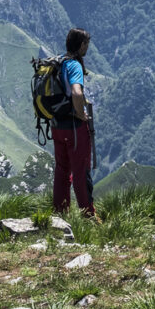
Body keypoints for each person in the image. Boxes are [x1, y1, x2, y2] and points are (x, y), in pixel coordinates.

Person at [52, 27, 97, 221]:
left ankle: (60, 215)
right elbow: (77, 92)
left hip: (56, 125)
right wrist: (81, 115)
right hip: (74, 128)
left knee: (62, 170)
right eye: (86, 43)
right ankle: (88, 216)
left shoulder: (58, 62)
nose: (88, 47)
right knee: (80, 171)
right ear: (81, 45)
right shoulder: (74, 66)